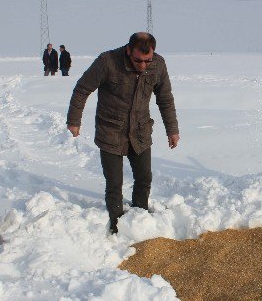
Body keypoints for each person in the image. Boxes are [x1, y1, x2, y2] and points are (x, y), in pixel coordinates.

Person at [66, 32, 180, 234]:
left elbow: (165, 99)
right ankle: (117, 224)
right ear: (128, 50)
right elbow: (82, 89)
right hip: (111, 131)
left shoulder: (159, 65)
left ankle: (140, 217)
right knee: (114, 183)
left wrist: (172, 130)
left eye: (147, 61)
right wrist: (74, 121)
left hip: (140, 131)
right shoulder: (107, 62)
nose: (143, 65)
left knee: (144, 178)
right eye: (138, 60)